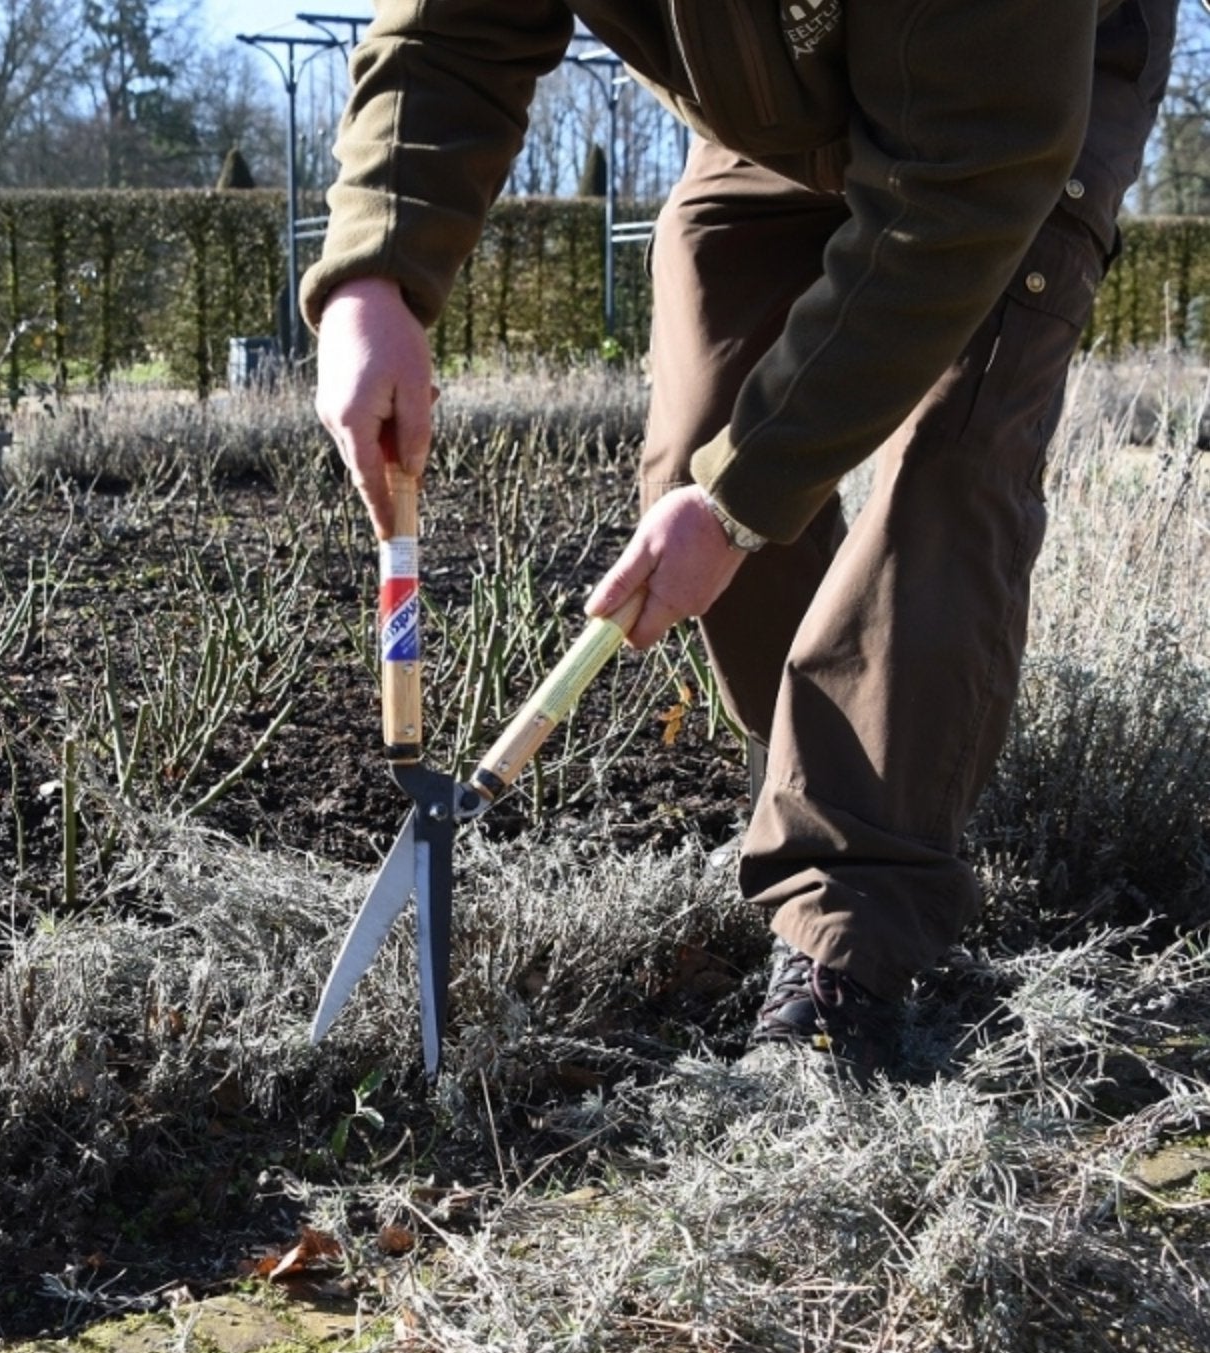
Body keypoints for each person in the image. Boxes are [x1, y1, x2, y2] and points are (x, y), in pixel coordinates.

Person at [302, 0, 1175, 1080]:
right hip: (769, 88)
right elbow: (454, 27)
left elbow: (965, 186)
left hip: (1008, 105)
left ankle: (849, 928)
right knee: (699, 437)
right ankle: (820, 784)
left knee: (950, 464)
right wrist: (374, 277)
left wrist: (737, 504)